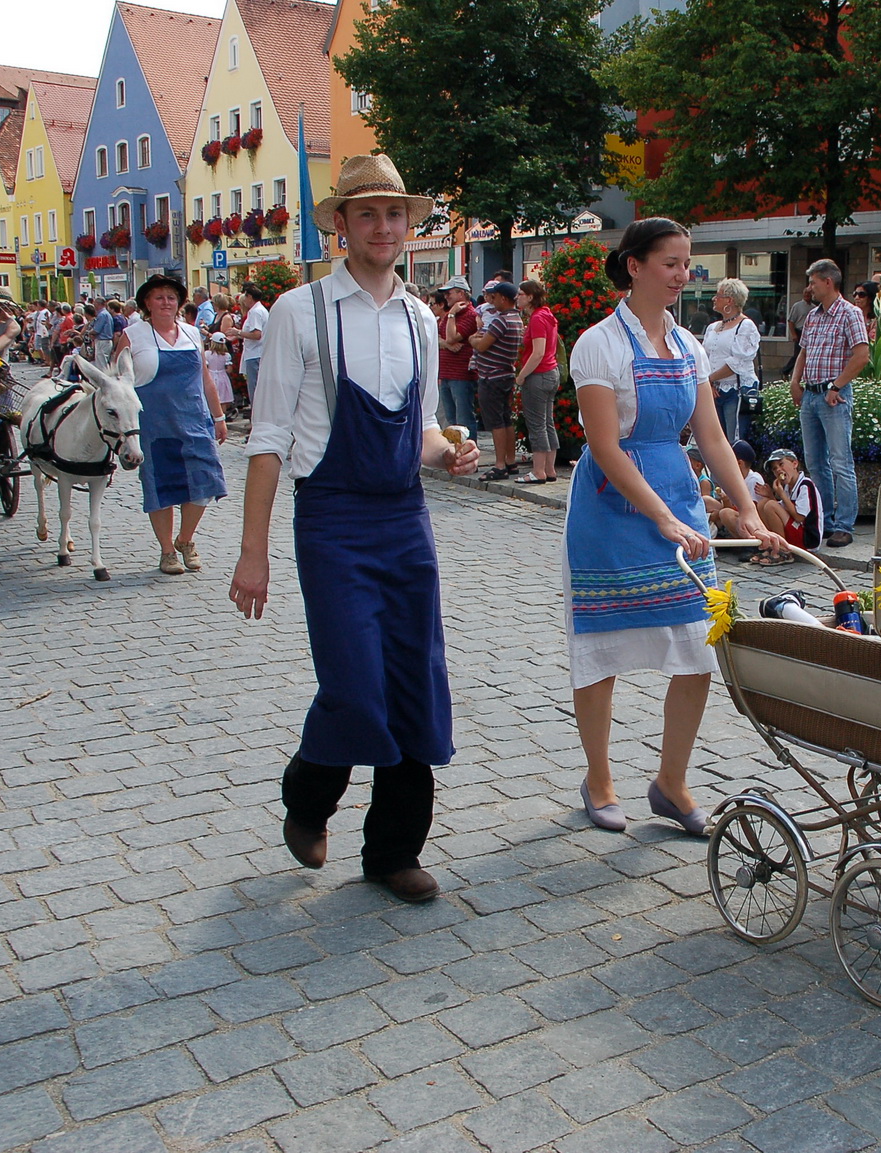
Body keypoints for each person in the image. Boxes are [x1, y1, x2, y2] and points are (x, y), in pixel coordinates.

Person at [231, 154, 480, 904]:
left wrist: (452, 453)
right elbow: (269, 436)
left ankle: (393, 851)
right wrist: (253, 554)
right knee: (354, 684)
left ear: (410, 225)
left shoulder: (417, 318)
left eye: (395, 213)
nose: (383, 226)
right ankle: (308, 797)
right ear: (340, 224)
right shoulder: (298, 311)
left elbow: (424, 435)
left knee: (413, 683)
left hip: (405, 519)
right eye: (366, 213)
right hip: (332, 520)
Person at [562, 217, 784, 835]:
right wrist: (657, 516)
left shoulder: (690, 347)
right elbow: (605, 446)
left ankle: (671, 781)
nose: (682, 276)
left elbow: (711, 437)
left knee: (696, 648)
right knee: (600, 649)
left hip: (678, 499)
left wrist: (743, 507)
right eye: (670, 263)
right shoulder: (598, 345)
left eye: (687, 264)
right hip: (611, 509)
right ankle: (600, 778)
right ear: (633, 266)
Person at [110, 275, 228, 575]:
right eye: (159, 297)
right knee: (160, 487)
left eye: (171, 297)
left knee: (204, 481)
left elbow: (205, 378)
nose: (166, 302)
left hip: (193, 420)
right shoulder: (133, 335)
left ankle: (185, 539)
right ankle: (166, 552)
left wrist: (218, 417)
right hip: (154, 425)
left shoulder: (190, 333)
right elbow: (118, 383)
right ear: (147, 303)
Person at [789, 260, 868, 548]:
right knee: (815, 462)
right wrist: (795, 381)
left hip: (833, 397)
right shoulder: (813, 316)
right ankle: (825, 519)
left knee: (840, 461)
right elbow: (804, 352)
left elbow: (861, 355)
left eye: (813, 282)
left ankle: (845, 525)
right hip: (811, 394)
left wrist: (837, 385)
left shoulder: (849, 314)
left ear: (828, 282)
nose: (809, 288)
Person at [467, 281, 523, 479]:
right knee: (506, 419)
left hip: (492, 376)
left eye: (495, 297)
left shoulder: (501, 321)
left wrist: (473, 340)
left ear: (504, 299)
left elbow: (481, 344)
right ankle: (510, 460)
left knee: (496, 422)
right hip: (506, 374)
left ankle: (500, 464)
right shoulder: (517, 319)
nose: (492, 301)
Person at [512, 279, 559, 485]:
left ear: (530, 297)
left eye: (520, 294)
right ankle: (549, 469)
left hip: (538, 374)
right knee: (547, 422)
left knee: (537, 424)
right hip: (551, 372)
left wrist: (521, 375)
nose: (517, 297)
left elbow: (538, 353)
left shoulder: (538, 318)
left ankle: (538, 471)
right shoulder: (547, 315)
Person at [702, 277, 761, 441]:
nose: (714, 299)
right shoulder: (712, 327)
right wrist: (710, 382)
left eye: (718, 295)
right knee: (716, 439)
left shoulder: (746, 326)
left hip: (736, 390)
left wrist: (709, 379)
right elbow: (705, 357)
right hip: (715, 391)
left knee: (734, 439)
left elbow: (737, 363)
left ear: (730, 300)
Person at [756, 447, 821, 559]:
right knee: (763, 503)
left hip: (807, 538)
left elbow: (799, 517)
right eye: (774, 468)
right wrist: (771, 495)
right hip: (794, 530)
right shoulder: (787, 487)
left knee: (770, 505)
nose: (778, 470)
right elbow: (782, 510)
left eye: (781, 464)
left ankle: (782, 550)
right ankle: (772, 545)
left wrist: (781, 494)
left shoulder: (805, 485)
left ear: (794, 464)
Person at [436, 275, 478, 441]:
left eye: (449, 293)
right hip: (446, 373)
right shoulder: (448, 316)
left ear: (461, 293)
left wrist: (452, 315)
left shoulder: (469, 315)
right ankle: (455, 453)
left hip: (461, 375)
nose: (446, 297)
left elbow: (452, 337)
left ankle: (469, 454)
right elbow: (437, 338)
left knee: (464, 419)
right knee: (451, 421)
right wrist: (446, 344)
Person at [235, 285, 268, 411]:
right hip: (258, 353)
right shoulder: (261, 310)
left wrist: (237, 333)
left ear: (249, 297)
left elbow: (256, 334)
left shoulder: (255, 312)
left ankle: (256, 419)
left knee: (254, 389)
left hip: (254, 354)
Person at [781, 284, 813, 377]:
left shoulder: (814, 307)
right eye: (806, 293)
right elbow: (791, 321)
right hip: (799, 332)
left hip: (809, 333)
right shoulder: (797, 306)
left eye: (809, 293)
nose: (807, 295)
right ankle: (785, 371)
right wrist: (793, 334)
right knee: (798, 355)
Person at [204, 333, 235, 409]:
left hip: (210, 376)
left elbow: (205, 368)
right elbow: (229, 370)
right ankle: (223, 416)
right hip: (223, 377)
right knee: (223, 399)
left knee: (211, 398)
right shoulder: (226, 355)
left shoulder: (207, 354)